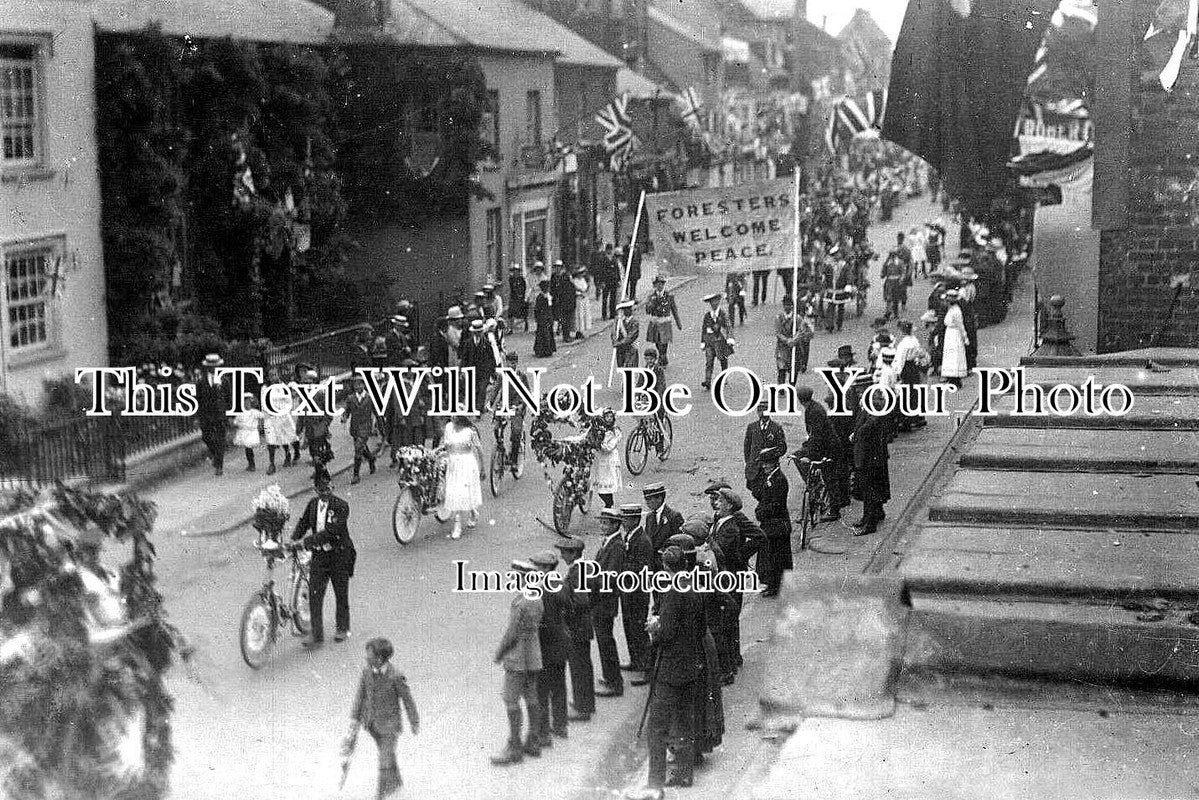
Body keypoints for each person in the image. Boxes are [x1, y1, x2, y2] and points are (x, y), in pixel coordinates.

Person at [627, 545, 705, 800]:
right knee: (684, 720)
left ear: (666, 565)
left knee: (657, 728)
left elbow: (667, 633)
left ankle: (654, 783)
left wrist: (654, 628)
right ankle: (683, 773)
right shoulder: (694, 587)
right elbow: (701, 628)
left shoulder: (672, 591)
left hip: (670, 669)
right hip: (690, 666)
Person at [342, 637, 420, 800]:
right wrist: (354, 721)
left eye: (369, 656)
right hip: (372, 724)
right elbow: (359, 697)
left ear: (379, 659)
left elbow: (408, 699)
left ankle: (381, 795)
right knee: (387, 754)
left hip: (390, 726)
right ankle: (396, 782)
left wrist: (414, 721)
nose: (366, 658)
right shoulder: (366, 672)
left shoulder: (396, 676)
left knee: (384, 758)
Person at [292, 468, 357, 648]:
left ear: (332, 488)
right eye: (322, 491)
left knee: (340, 592)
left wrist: (305, 543)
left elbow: (331, 532)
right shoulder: (312, 505)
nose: (326, 494)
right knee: (315, 593)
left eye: (328, 489)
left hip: (339, 555)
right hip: (320, 555)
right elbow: (303, 523)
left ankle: (342, 627)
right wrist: (293, 540)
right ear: (316, 491)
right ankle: (317, 633)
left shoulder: (341, 506)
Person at [491, 558, 543, 765]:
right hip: (533, 654)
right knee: (531, 697)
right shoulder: (537, 598)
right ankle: (534, 740)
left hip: (517, 657)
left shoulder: (520, 602)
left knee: (511, 700)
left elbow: (512, 634)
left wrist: (499, 653)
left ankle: (514, 747)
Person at [530, 550, 570, 748]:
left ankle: (543, 733)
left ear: (545, 568)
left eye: (537, 566)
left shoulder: (540, 590)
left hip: (545, 646)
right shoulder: (560, 584)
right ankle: (561, 725)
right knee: (559, 686)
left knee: (541, 691)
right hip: (561, 643)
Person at [555, 536, 595, 722]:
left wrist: (564, 608)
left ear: (573, 553)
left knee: (579, 667)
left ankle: (582, 708)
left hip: (577, 627)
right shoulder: (583, 568)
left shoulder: (577, 573)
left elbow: (580, 600)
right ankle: (586, 703)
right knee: (583, 666)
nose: (562, 556)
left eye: (564, 552)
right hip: (583, 625)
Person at [793, 385, 848, 519]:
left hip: (828, 449)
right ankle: (814, 481)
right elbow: (813, 435)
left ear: (800, 400)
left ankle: (834, 511)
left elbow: (817, 436)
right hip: (824, 446)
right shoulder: (812, 408)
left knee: (830, 479)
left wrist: (810, 455)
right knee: (797, 456)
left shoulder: (814, 411)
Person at [591, 508, 626, 698]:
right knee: (604, 640)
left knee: (606, 641)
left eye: (606, 523)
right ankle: (609, 676)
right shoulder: (609, 542)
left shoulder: (617, 546)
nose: (602, 526)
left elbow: (611, 577)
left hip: (605, 601)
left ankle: (615, 683)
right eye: (601, 522)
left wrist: (591, 581)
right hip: (601, 601)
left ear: (615, 525)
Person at [618, 503, 653, 687]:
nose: (623, 522)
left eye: (625, 519)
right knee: (629, 627)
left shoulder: (642, 541)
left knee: (639, 629)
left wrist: (622, 568)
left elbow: (641, 568)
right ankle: (635, 660)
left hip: (637, 593)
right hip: (628, 591)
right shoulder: (630, 537)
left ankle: (647, 667)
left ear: (634, 519)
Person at [751, 446, 791, 597]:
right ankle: (772, 584)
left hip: (777, 525)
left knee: (776, 557)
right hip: (772, 524)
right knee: (771, 556)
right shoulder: (770, 478)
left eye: (767, 463)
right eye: (763, 463)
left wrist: (761, 512)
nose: (764, 466)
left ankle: (775, 586)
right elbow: (761, 495)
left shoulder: (779, 480)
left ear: (774, 463)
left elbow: (776, 505)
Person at [436, 416, 484, 539]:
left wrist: (482, 468)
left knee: (463, 492)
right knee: (455, 492)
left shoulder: (470, 431)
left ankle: (459, 524)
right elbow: (445, 445)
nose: (453, 417)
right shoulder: (448, 428)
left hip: (466, 464)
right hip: (453, 464)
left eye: (456, 415)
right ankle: (467, 516)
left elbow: (479, 449)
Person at [850, 397, 891, 535]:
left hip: (869, 460)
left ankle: (870, 524)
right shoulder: (868, 412)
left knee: (869, 492)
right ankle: (871, 516)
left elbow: (866, 429)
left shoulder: (873, 415)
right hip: (869, 458)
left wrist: (856, 434)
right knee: (870, 490)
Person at [196, 353, 230, 476]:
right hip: (206, 415)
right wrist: (198, 416)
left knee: (221, 439)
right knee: (206, 437)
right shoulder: (201, 382)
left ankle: (219, 466)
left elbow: (228, 398)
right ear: (207, 367)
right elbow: (198, 399)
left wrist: (228, 414)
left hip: (220, 415)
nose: (213, 368)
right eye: (211, 366)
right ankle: (215, 455)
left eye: (215, 366)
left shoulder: (224, 380)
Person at [743, 400, 787, 489]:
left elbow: (782, 448)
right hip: (754, 469)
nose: (762, 413)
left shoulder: (776, 428)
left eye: (765, 410)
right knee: (755, 490)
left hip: (769, 467)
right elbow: (747, 448)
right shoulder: (752, 427)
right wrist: (749, 463)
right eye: (760, 410)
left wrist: (769, 454)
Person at [342, 376, 377, 484]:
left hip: (366, 427)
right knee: (362, 448)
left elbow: (376, 412)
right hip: (355, 428)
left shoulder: (370, 398)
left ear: (364, 385)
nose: (358, 387)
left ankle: (356, 475)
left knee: (358, 449)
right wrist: (344, 417)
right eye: (356, 385)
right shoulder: (350, 398)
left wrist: (379, 426)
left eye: (360, 384)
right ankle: (371, 458)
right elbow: (347, 411)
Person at [642, 482, 683, 572]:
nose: (647, 503)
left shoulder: (673, 516)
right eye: (646, 499)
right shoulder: (649, 517)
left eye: (649, 499)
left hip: (667, 564)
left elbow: (677, 541)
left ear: (659, 498)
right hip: (652, 564)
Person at [263, 371, 298, 474]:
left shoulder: (283, 387)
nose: (273, 377)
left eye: (274, 375)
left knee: (286, 436)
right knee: (271, 439)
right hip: (271, 417)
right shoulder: (265, 388)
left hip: (282, 415)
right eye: (271, 375)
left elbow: (288, 401)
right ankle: (272, 464)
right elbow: (263, 402)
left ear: (278, 375)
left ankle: (289, 455)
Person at [644, 275, 682, 366]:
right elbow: (647, 311)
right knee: (657, 342)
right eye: (658, 284)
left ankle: (662, 357)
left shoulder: (669, 296)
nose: (660, 286)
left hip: (665, 322)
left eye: (662, 284)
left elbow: (674, 309)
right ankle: (663, 357)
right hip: (655, 322)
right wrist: (652, 303)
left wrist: (678, 323)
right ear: (655, 285)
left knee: (664, 342)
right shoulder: (651, 296)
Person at [775, 296, 813, 384]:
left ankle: (792, 386)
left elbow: (801, 330)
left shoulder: (798, 318)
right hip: (782, 347)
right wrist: (787, 340)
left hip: (795, 348)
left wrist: (794, 340)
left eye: (789, 305)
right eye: (785, 305)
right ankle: (781, 387)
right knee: (781, 369)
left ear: (792, 306)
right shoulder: (779, 318)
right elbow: (778, 332)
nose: (787, 307)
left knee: (793, 370)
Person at [699, 293, 733, 390]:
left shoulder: (723, 314)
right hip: (709, 341)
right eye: (712, 302)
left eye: (715, 301)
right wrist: (702, 342)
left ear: (718, 302)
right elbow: (704, 329)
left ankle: (724, 377)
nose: (714, 304)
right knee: (709, 361)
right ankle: (707, 381)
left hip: (720, 341)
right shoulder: (707, 315)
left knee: (723, 360)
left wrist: (730, 338)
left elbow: (728, 326)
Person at [591, 409, 622, 509]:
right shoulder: (598, 429)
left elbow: (610, 447)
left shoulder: (616, 431)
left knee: (608, 486)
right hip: (600, 460)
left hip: (609, 461)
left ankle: (609, 504)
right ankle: (608, 503)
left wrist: (600, 444)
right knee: (600, 488)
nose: (609, 419)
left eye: (611, 417)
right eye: (606, 417)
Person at [940, 288, 969, 388]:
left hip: (954, 335)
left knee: (954, 356)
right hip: (950, 334)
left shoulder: (956, 311)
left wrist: (964, 336)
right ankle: (951, 378)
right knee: (949, 356)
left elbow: (960, 325)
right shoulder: (951, 309)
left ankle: (955, 380)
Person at [232, 392, 263, 472]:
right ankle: (251, 463)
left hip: (252, 432)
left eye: (248, 402)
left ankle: (252, 464)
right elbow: (236, 422)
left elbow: (262, 416)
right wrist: (238, 424)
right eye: (245, 402)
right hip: (244, 432)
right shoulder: (240, 413)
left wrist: (260, 424)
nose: (247, 404)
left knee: (249, 447)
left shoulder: (254, 412)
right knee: (247, 448)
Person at [550, 260, 576, 341]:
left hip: (565, 301)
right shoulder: (553, 276)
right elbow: (552, 288)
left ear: (561, 268)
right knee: (557, 318)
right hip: (556, 301)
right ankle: (557, 333)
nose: (557, 269)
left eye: (559, 267)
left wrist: (570, 301)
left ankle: (566, 336)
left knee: (566, 319)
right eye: (556, 267)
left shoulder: (566, 276)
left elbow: (571, 289)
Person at [612, 300, 640, 368]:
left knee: (630, 369)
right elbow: (613, 333)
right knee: (621, 368)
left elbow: (631, 337)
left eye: (628, 309)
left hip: (631, 349)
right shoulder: (618, 320)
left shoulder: (634, 321)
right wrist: (614, 340)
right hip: (620, 351)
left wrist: (619, 343)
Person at [533, 279, 556, 358]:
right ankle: (540, 351)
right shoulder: (540, 297)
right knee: (542, 334)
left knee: (549, 333)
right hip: (542, 318)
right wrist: (538, 318)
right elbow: (537, 309)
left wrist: (551, 316)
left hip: (548, 317)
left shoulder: (549, 296)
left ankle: (548, 350)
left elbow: (550, 307)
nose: (547, 289)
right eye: (545, 288)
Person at [572, 267, 592, 339]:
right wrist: (580, 293)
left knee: (584, 315)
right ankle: (578, 331)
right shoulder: (575, 281)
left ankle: (582, 331)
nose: (581, 275)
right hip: (579, 299)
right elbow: (574, 291)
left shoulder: (583, 280)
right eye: (580, 273)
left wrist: (586, 292)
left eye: (582, 273)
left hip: (585, 299)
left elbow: (586, 288)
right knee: (579, 315)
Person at [508, 263, 529, 332]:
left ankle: (526, 324)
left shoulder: (521, 279)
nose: (515, 272)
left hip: (521, 297)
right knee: (511, 312)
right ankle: (511, 328)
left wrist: (522, 294)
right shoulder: (511, 279)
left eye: (517, 270)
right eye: (514, 270)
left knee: (524, 311)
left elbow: (524, 287)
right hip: (514, 297)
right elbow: (511, 288)